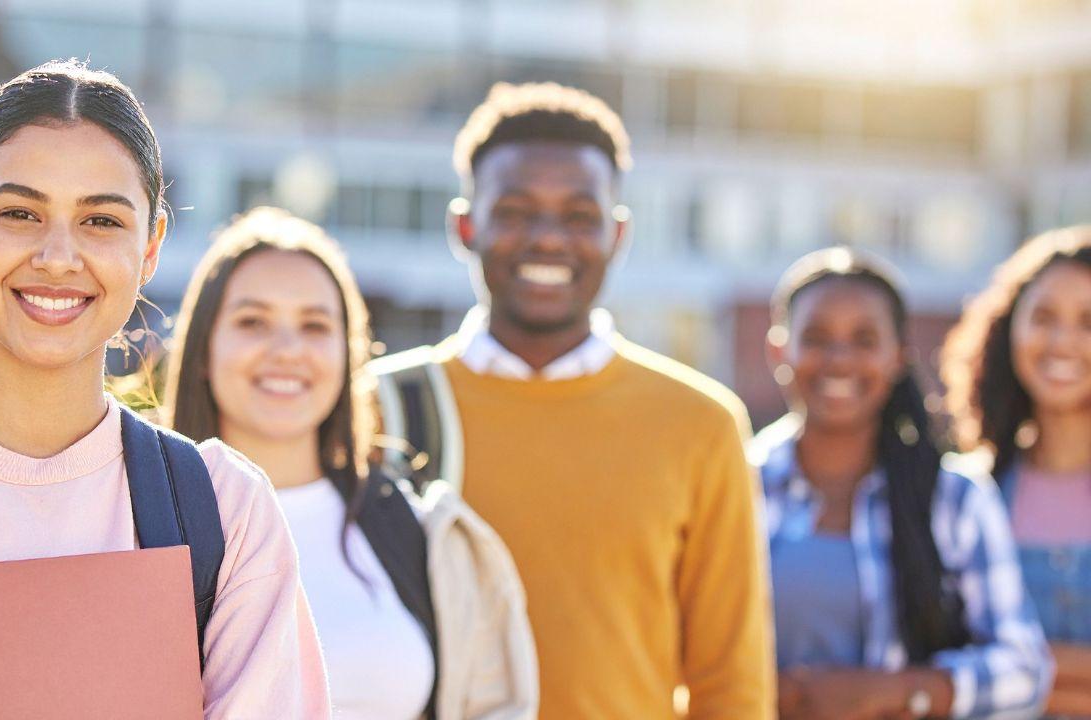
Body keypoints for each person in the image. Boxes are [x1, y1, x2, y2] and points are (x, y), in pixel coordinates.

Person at [0, 61, 329, 719]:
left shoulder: (227, 510)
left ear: (151, 247)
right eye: (20, 212)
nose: (57, 257)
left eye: (101, 221)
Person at [370, 81, 772, 718]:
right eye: (516, 211)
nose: (549, 239)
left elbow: (732, 682)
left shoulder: (703, 423)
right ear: (464, 226)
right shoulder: (377, 406)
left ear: (618, 234)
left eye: (579, 216)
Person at [161, 207, 538, 720]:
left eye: (315, 326)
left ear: (348, 353)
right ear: (203, 348)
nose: (287, 350)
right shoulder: (133, 516)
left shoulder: (417, 528)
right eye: (253, 322)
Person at [752, 246, 1051, 720]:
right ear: (778, 350)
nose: (839, 359)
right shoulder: (736, 485)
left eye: (865, 339)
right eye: (816, 337)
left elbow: (1025, 669)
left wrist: (898, 692)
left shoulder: (954, 499)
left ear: (898, 357)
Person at [942, 226, 1091, 718]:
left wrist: (1014, 673)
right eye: (1043, 318)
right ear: (1009, 330)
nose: (1063, 341)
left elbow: (970, 677)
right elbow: (940, 661)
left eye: (1089, 322)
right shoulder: (963, 493)